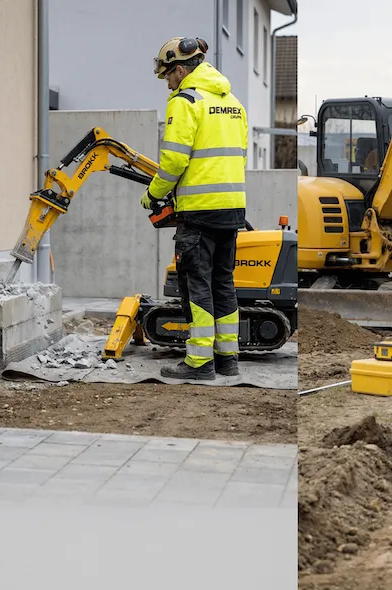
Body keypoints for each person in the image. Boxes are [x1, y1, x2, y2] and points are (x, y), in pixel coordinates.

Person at [146, 36, 249, 381]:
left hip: (199, 212)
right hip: (232, 208)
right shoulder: (233, 103)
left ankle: (199, 363)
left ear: (179, 69)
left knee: (196, 285)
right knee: (224, 283)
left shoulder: (186, 100)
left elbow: (174, 159)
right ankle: (227, 359)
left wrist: (154, 193)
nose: (167, 84)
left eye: (167, 76)